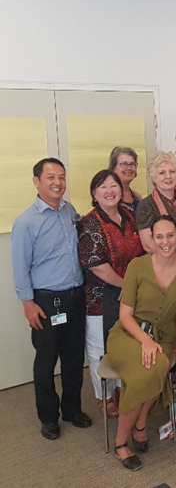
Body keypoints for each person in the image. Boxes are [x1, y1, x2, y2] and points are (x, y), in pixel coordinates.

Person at [106, 216, 176, 471]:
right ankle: (121, 442)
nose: (165, 242)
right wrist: (145, 340)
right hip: (128, 334)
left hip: (165, 338)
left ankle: (140, 422)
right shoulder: (137, 266)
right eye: (159, 237)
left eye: (170, 235)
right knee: (149, 370)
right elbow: (124, 315)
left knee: (157, 365)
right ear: (151, 239)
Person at [12, 158, 89, 440]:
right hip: (45, 301)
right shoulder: (26, 223)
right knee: (45, 361)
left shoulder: (69, 211)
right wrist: (27, 303)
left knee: (72, 358)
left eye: (62, 177)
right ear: (37, 182)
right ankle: (48, 417)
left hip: (75, 297)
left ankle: (72, 409)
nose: (58, 183)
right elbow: (20, 267)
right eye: (50, 177)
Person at [78, 170, 144, 419]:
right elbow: (98, 266)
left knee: (123, 341)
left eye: (113, 185)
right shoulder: (90, 223)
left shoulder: (128, 214)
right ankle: (102, 396)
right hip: (100, 296)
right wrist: (128, 285)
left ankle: (118, 387)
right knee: (99, 348)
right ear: (94, 193)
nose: (109, 190)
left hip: (128, 292)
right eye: (103, 186)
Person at [134, 151, 176, 257]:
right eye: (162, 173)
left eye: (172, 171)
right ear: (154, 178)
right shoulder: (146, 206)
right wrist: (175, 262)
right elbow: (148, 246)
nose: (168, 176)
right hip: (164, 265)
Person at [109, 146, 141, 211]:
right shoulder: (109, 197)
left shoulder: (137, 197)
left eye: (132, 164)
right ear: (113, 168)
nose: (129, 168)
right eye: (124, 164)